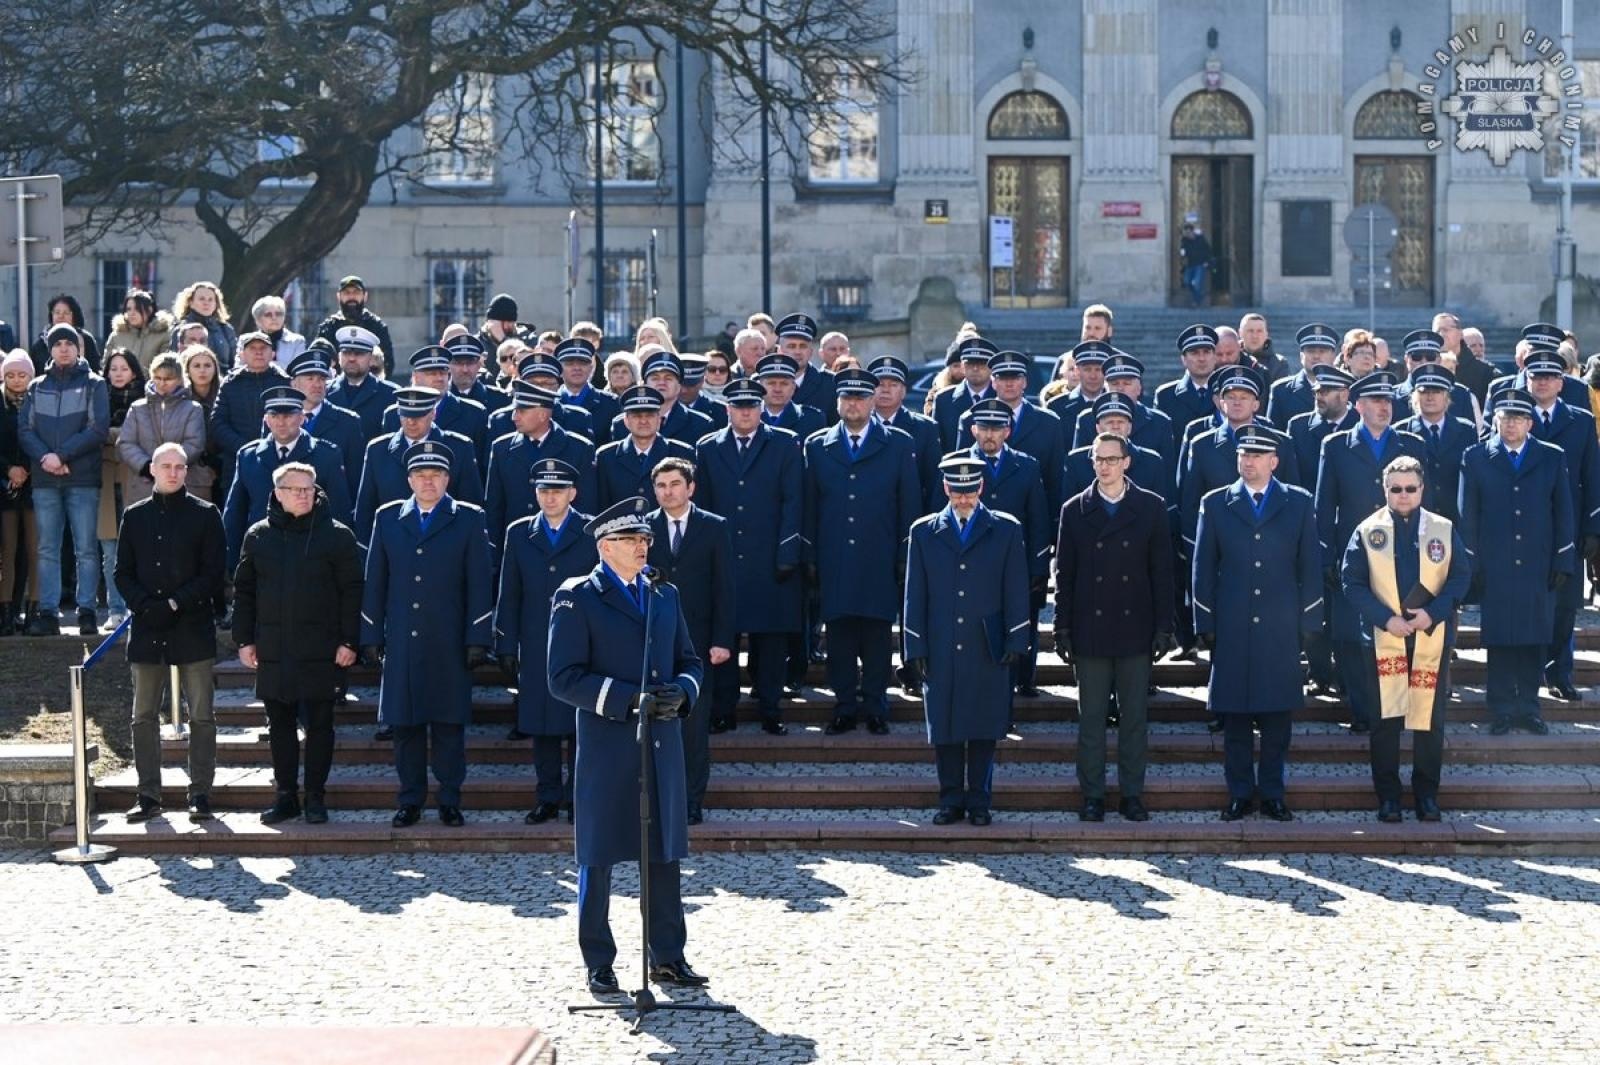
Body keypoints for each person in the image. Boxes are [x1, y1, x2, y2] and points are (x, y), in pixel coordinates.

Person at [546, 496, 708, 996]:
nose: (642, 547)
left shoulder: (664, 594)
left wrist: (681, 692)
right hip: (607, 742)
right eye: (632, 540)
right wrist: (625, 700)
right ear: (605, 546)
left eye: (645, 540)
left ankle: (668, 956)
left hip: (661, 742)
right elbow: (562, 677)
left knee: (663, 854)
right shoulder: (577, 596)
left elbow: (689, 659)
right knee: (597, 856)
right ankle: (598, 959)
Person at [360, 440, 494, 827]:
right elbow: (376, 581)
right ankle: (411, 800)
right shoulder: (388, 517)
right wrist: (370, 635)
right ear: (409, 479)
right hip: (402, 637)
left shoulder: (468, 518)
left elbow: (479, 584)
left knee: (449, 726)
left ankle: (450, 798)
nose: (428, 481)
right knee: (406, 728)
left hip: (449, 639)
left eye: (435, 475)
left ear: (447, 479)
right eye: (421, 474)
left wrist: (477, 639)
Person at [1192, 424, 1322, 822]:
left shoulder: (1298, 502)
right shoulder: (1215, 503)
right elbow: (1203, 567)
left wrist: (1310, 620)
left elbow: (1310, 567)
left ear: (1274, 461)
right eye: (1242, 455)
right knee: (1234, 718)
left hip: (1280, 625)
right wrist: (1205, 620)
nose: (1247, 462)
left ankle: (1273, 793)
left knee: (1277, 719)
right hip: (1232, 623)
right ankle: (1239, 793)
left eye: (1256, 456)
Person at [1341, 456, 1471, 823]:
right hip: (1385, 638)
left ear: (1422, 489)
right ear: (1385, 490)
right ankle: (1389, 797)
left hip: (1430, 636)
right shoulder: (1368, 530)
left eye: (1410, 488)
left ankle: (1427, 794)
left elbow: (1461, 578)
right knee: (1385, 722)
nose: (1403, 495)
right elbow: (1351, 582)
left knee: (1429, 720)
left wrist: (1434, 613)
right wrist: (1386, 619)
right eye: (1395, 489)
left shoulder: (1442, 529)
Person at [1055, 431, 1176, 822]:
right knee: (1090, 718)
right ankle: (1092, 794)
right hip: (1090, 628)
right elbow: (1066, 578)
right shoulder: (1074, 510)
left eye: (1112, 459)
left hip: (1134, 626)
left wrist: (1163, 626)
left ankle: (1131, 794)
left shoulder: (1152, 507)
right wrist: (1062, 629)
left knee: (1134, 718)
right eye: (1098, 459)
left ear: (1127, 462)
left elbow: (1162, 572)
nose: (1104, 466)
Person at [903, 454, 1030, 827]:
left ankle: (979, 800)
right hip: (941, 640)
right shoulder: (924, 531)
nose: (963, 499)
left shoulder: (1005, 529)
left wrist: (1017, 638)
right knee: (944, 726)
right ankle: (950, 800)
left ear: (981, 487)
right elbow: (915, 594)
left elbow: (1016, 590)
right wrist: (915, 647)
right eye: (956, 491)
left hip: (986, 642)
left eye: (970, 491)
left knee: (983, 724)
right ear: (945, 488)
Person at [233, 462, 362, 825]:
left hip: (322, 648)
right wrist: (244, 639)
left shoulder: (337, 536)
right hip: (274, 646)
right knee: (280, 726)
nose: (304, 494)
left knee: (321, 725)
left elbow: (353, 592)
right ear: (277, 493)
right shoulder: (258, 536)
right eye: (295, 489)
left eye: (309, 488)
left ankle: (316, 797)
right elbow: (244, 592)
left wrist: (349, 640)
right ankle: (286, 795)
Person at [804, 369, 922, 735]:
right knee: (838, 638)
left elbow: (910, 504)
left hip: (879, 556)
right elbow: (809, 505)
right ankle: (844, 706)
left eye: (860, 397)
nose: (853, 404)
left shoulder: (899, 443)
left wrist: (906, 554)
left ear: (873, 401)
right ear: (838, 402)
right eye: (847, 398)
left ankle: (875, 705)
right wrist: (809, 555)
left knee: (875, 637)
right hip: (834, 557)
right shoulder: (817, 444)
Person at [114, 442, 226, 823]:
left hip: (192, 624)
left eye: (180, 466)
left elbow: (212, 574)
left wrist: (175, 603)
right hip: (148, 627)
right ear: (153, 471)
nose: (175, 473)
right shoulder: (134, 515)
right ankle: (148, 794)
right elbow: (122, 573)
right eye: (167, 466)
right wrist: (147, 606)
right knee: (143, 715)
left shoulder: (206, 514)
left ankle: (201, 793)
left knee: (201, 714)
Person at [1314, 370, 1427, 734]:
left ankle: (1397, 707)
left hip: (1403, 555)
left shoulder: (1411, 442)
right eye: (1376, 401)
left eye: (1388, 401)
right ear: (1357, 405)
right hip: (1356, 555)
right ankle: (1362, 709)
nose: (1384, 407)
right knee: (1351, 636)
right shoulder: (1335, 445)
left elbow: (1428, 503)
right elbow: (1324, 505)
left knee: (1397, 631)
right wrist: (1328, 555)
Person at [1460, 388, 1575, 735]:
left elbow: (1563, 511)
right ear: (1495, 420)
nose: (1511, 425)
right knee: (1499, 639)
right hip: (1495, 563)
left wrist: (1563, 560)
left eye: (1518, 418)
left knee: (1533, 637)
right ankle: (1501, 709)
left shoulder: (1552, 456)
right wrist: (1472, 563)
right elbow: (1468, 516)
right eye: (1505, 418)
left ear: (1530, 423)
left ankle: (1529, 706)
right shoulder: (1476, 456)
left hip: (1538, 562)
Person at [693, 378, 804, 735]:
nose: (745, 412)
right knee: (722, 637)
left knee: (770, 639)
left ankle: (770, 708)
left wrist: (788, 551)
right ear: (727, 409)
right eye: (738, 406)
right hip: (723, 557)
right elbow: (703, 505)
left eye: (751, 406)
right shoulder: (708, 447)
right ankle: (723, 708)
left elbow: (793, 501)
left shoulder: (785, 443)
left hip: (769, 555)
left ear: (760, 408)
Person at [492, 458, 596, 821]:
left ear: (573, 493)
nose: (550, 498)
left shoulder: (590, 530)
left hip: (582, 642)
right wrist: (505, 643)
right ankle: (548, 795)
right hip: (536, 640)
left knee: (578, 725)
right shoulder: (519, 532)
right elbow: (510, 591)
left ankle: (577, 797)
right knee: (541, 724)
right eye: (544, 490)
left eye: (557, 491)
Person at [647, 457, 736, 824]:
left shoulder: (714, 527)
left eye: (674, 484)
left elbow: (725, 589)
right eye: (661, 486)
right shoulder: (644, 528)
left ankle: (691, 799)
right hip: (653, 642)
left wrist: (722, 640)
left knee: (694, 726)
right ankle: (659, 798)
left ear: (690, 487)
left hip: (699, 643)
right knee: (655, 723)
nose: (668, 492)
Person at [19, 323, 109, 636]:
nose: (63, 348)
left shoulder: (94, 384)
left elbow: (98, 429)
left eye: (69, 343)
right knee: (47, 548)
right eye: (57, 344)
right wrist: (47, 458)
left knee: (85, 548)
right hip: (45, 479)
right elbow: (25, 430)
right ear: (50, 349)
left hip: (82, 477)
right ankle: (48, 612)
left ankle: (86, 611)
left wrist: (62, 456)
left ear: (79, 347)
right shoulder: (36, 386)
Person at [1524, 348, 1600, 700]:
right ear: (1527, 380)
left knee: (1566, 605)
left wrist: (1593, 529)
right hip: (1523, 526)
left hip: (1567, 528)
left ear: (1562, 381)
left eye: (1550, 377)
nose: (1543, 383)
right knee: (1527, 603)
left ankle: (1559, 673)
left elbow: (1593, 477)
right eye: (1536, 377)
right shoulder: (1513, 416)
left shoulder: (1581, 420)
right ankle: (1527, 674)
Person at [223, 385, 352, 572]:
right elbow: (235, 515)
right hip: (262, 556)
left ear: (302, 418)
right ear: (266, 420)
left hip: (311, 557)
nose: (281, 422)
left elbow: (339, 512)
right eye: (274, 416)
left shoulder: (326, 456)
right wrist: (232, 564)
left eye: (288, 415)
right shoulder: (248, 457)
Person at [354, 386, 483, 554]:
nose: (411, 421)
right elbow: (365, 508)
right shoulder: (378, 450)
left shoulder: (459, 448)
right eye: (405, 414)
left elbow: (471, 503)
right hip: (392, 550)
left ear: (433, 413)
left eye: (418, 415)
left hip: (446, 550)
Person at [484, 381, 596, 564]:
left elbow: (587, 505)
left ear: (543, 414)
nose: (514, 416)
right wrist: (495, 557)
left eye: (521, 411)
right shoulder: (501, 448)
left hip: (565, 549)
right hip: (518, 550)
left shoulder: (579, 448)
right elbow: (495, 508)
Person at [118, 352, 208, 508]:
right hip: (144, 483)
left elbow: (195, 444)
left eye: (168, 379)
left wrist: (168, 466)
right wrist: (146, 466)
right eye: (157, 378)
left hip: (181, 481)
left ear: (180, 379)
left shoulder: (192, 409)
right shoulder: (138, 408)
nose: (162, 383)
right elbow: (126, 443)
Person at [97, 348, 145, 629]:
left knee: (137, 549)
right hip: (103, 478)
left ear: (134, 372)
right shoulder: (97, 396)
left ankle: (135, 608)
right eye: (113, 368)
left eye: (123, 368)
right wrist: (122, 435)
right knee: (108, 550)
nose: (117, 374)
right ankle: (114, 609)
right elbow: (95, 430)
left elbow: (138, 434)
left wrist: (113, 436)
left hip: (135, 477)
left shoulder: (144, 400)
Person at [381, 345, 490, 469]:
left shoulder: (474, 413)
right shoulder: (394, 415)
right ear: (416, 377)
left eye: (443, 372)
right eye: (432, 373)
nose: (439, 378)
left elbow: (481, 468)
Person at [209, 330, 290, 495]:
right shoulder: (230, 384)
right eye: (252, 348)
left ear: (273, 353)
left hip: (278, 463)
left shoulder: (285, 382)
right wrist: (245, 448)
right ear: (242, 354)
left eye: (263, 347)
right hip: (237, 462)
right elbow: (217, 423)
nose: (258, 351)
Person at [593, 385, 695, 510]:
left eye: (650, 415)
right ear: (626, 421)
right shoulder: (606, 456)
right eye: (636, 416)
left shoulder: (682, 453)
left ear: (659, 419)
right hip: (621, 529)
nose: (643, 421)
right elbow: (601, 505)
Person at [288, 349, 367, 499]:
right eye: (310, 378)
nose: (317, 384)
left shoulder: (348, 422)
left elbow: (356, 477)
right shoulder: (280, 419)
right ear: (294, 384)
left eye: (322, 379)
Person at [868, 355, 943, 511]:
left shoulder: (925, 428)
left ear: (903, 391)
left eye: (893, 384)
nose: (886, 390)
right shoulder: (859, 426)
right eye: (880, 384)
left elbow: (933, 483)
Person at [1, 349, 39, 635]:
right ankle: (6, 612)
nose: (16, 380)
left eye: (22, 375)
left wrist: (26, 470)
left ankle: (33, 611)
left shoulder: (38, 400)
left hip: (36, 484)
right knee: (7, 550)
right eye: (10, 375)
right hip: (5, 488)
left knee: (35, 551)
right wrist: (8, 470)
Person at [325, 327, 400, 442]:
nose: (351, 358)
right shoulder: (325, 392)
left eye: (359, 353)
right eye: (346, 352)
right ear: (339, 357)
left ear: (371, 358)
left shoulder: (391, 395)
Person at [1155, 325, 1220, 451]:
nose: (1201, 359)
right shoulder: (1165, 396)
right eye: (1194, 353)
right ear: (1184, 359)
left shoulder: (1228, 393)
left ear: (1215, 357)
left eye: (1206, 352)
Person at [315, 276, 395, 377]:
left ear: (365, 296)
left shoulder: (377, 326)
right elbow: (318, 363)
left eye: (356, 292)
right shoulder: (328, 327)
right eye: (347, 293)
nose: (351, 297)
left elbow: (387, 364)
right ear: (338, 297)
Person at [1266, 323, 1339, 429]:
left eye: (1322, 351)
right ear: (1301, 356)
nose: (1316, 356)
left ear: (1333, 356)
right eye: (1310, 351)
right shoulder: (1281, 391)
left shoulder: (1346, 389)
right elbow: (1274, 435)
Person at [934, 336, 997, 452]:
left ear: (991, 367)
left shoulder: (1002, 398)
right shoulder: (943, 400)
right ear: (962, 366)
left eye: (981, 363)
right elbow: (937, 447)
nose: (975, 368)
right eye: (970, 363)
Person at [557, 336, 620, 446]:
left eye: (583, 362)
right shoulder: (551, 403)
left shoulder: (611, 403)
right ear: (559, 369)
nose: (577, 368)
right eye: (570, 363)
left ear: (591, 368)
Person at [168, 283, 238, 372]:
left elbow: (235, 362)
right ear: (190, 302)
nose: (206, 303)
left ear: (216, 304)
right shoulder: (180, 329)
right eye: (201, 299)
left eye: (210, 300)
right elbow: (174, 364)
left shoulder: (226, 330)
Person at [30, 294, 103, 374]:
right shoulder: (41, 344)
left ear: (74, 315)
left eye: (66, 313)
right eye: (57, 312)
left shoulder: (86, 339)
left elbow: (95, 369)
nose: (61, 316)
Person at [105, 289, 174, 371]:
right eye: (128, 309)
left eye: (137, 309)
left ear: (149, 310)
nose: (132, 313)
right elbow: (106, 365)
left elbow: (165, 367)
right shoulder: (117, 335)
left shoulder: (164, 335)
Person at [251, 295, 307, 371]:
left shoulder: (297, 341)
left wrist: (264, 365)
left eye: (278, 314)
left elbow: (298, 369)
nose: (274, 318)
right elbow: (239, 370)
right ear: (258, 320)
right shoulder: (246, 341)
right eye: (268, 315)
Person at [1179, 221, 1213, 306]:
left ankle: (1196, 301)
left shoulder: (1200, 239)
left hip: (1200, 264)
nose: (1187, 234)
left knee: (1197, 283)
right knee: (1187, 282)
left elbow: (1208, 250)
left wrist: (1207, 262)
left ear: (1192, 231)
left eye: (1188, 232)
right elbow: (1182, 251)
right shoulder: (1184, 240)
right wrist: (1182, 254)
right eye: (1185, 232)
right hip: (1190, 264)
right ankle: (1199, 297)